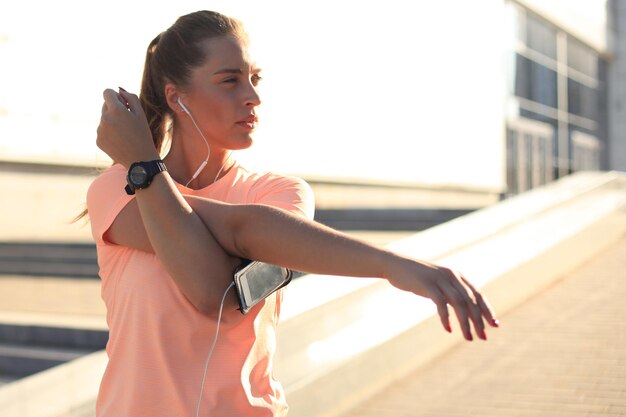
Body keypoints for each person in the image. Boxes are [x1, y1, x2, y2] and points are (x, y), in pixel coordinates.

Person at [88, 9, 499, 417]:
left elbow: (222, 287)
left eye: (254, 78)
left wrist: (145, 167)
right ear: (177, 96)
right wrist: (144, 165)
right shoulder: (116, 187)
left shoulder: (280, 193)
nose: (253, 96)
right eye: (230, 80)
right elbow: (218, 266)